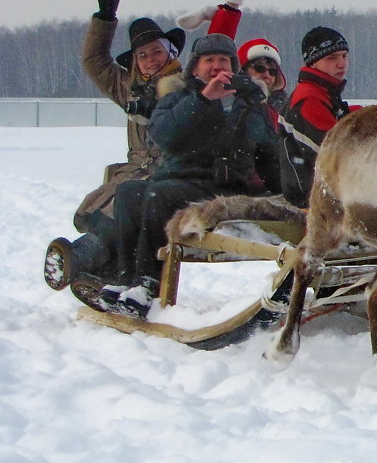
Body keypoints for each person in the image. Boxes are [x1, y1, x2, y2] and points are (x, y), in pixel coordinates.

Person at [44, 0, 249, 291]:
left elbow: (215, 53)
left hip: (172, 174)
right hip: (133, 173)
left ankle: (82, 258)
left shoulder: (186, 83)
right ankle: (104, 274)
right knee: (107, 213)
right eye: (143, 55)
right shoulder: (129, 89)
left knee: (125, 211)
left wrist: (229, 8)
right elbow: (94, 60)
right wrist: (104, 16)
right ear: (135, 63)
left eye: (157, 51)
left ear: (172, 53)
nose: (151, 60)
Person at [99, 33, 281, 317]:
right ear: (195, 67)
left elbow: (268, 151)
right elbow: (162, 135)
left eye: (223, 59)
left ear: (232, 65)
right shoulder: (179, 96)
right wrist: (203, 99)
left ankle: (148, 283)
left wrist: (282, 191)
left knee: (160, 194)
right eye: (209, 60)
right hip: (180, 178)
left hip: (222, 185)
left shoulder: (248, 102)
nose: (216, 66)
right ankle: (124, 278)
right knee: (128, 192)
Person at [278, 26, 360, 206]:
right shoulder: (309, 99)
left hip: (324, 191)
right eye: (332, 58)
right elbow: (330, 154)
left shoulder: (324, 92)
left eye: (344, 56)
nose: (341, 63)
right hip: (311, 198)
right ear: (313, 62)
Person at [237, 38, 288, 126]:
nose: (267, 75)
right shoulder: (232, 102)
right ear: (243, 70)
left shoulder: (285, 109)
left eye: (272, 71)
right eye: (260, 68)